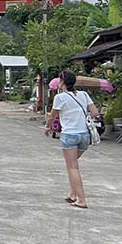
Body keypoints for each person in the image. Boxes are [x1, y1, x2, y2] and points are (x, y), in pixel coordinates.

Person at [45, 69, 98, 209]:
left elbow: (52, 116)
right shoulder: (84, 94)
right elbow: (95, 112)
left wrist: (48, 127)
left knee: (72, 167)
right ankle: (73, 194)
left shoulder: (60, 97)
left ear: (62, 82)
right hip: (84, 136)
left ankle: (81, 200)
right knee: (73, 165)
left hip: (69, 135)